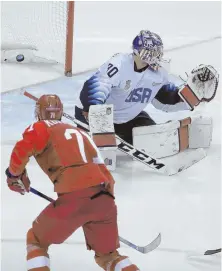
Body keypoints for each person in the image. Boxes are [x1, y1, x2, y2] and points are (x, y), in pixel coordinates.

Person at [5, 94, 140, 271]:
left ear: (38, 112)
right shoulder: (80, 132)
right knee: (108, 256)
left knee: (36, 240)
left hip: (74, 198)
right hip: (105, 199)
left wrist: (13, 174)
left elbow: (23, 148)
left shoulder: (40, 126)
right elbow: (106, 174)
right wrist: (96, 207)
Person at [75, 30, 218, 146]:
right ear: (140, 52)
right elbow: (98, 85)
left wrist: (190, 97)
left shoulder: (158, 74)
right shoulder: (119, 64)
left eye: (159, 53)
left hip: (127, 120)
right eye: (153, 53)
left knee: (154, 140)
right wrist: (91, 108)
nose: (157, 57)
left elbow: (164, 99)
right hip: (91, 115)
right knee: (99, 155)